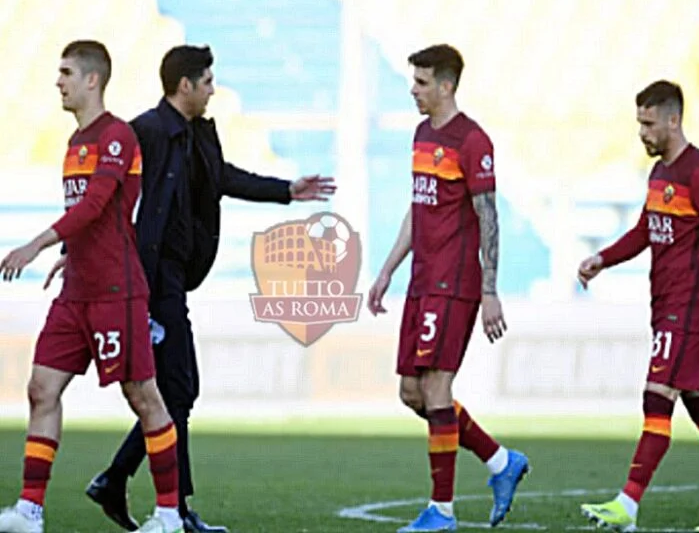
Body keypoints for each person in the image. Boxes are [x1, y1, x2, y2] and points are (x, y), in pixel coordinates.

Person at [83, 45, 336, 533]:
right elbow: (107, 196)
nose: (213, 89)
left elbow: (223, 179)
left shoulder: (197, 135)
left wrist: (287, 190)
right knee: (178, 389)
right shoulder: (146, 132)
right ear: (185, 85)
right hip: (151, 282)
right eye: (207, 81)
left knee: (177, 391)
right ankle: (168, 507)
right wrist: (82, 251)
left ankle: (118, 481)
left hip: (174, 278)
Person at [0, 40, 184, 533]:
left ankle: (168, 515)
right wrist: (68, 254)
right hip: (76, 290)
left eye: (65, 72)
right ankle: (29, 512)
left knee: (143, 396)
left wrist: (37, 244)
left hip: (115, 293)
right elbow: (94, 222)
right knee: (42, 389)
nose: (57, 81)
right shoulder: (73, 142)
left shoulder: (118, 136)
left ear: (91, 80)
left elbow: (97, 206)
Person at [367, 44, 529, 532]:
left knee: (438, 386)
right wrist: (387, 270)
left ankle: (442, 511)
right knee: (412, 393)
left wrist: (492, 289)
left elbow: (488, 218)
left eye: (420, 82)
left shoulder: (473, 141)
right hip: (421, 281)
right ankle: (501, 462)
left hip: (454, 282)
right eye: (412, 80)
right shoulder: (420, 135)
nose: (412, 90)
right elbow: (419, 210)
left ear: (446, 85)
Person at [578, 80, 699, 532]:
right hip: (667, 305)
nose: (642, 133)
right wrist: (603, 259)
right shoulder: (659, 175)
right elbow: (643, 232)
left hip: (690, 308)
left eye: (649, 123)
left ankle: (627, 506)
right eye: (639, 123)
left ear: (674, 120)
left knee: (656, 399)